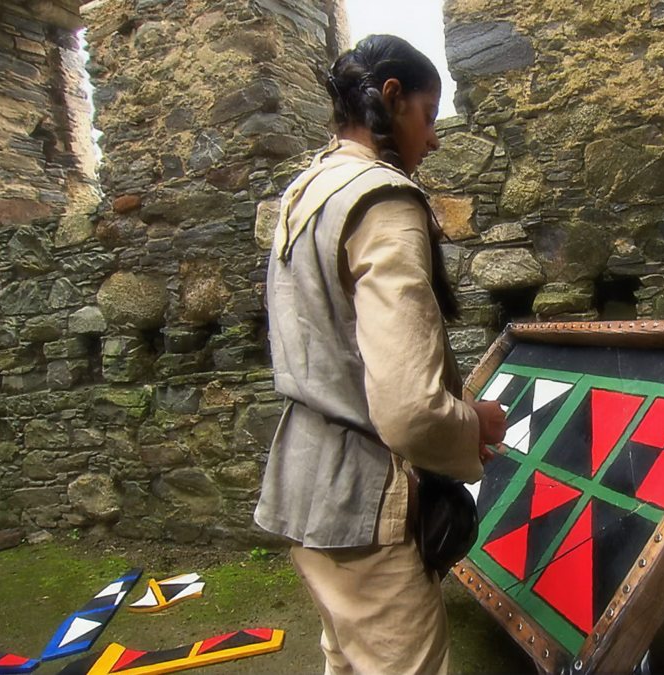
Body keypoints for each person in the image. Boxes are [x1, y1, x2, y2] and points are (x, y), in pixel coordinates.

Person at [254, 34, 507, 675]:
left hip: (308, 491)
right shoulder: (382, 200)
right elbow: (410, 410)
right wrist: (472, 424)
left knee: (346, 662)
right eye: (428, 114)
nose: (435, 138)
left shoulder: (305, 191)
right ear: (391, 98)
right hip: (367, 506)